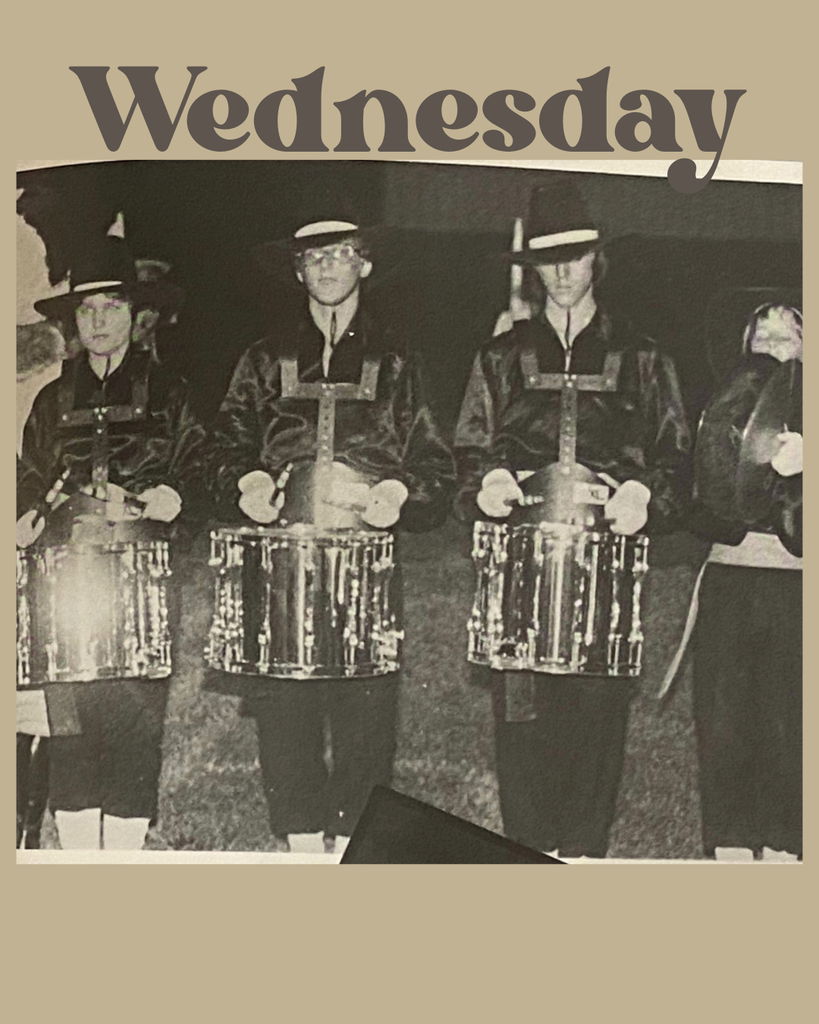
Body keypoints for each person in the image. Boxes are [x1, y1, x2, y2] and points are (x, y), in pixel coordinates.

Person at [453, 179, 691, 858]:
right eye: (547, 262)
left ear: (596, 263)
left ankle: (584, 856)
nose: (561, 274)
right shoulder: (500, 356)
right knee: (521, 722)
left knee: (592, 723)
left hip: (605, 572)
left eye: (575, 258)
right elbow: (469, 449)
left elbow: (675, 460)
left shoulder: (642, 357)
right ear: (531, 274)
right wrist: (486, 483)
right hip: (519, 576)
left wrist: (644, 496)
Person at [209, 215, 454, 854]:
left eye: (340, 255)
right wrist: (247, 484)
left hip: (364, 567)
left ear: (364, 265)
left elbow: (433, 463)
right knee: (285, 722)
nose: (326, 268)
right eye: (313, 258)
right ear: (297, 271)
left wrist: (396, 494)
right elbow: (224, 447)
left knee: (364, 726)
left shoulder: (397, 359)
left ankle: (351, 853)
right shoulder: (265, 359)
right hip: (279, 562)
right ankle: (299, 854)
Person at [16, 236, 205, 851]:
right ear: (74, 321)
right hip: (65, 581)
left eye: (112, 307)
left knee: (131, 727)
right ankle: (77, 862)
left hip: (139, 580)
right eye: (87, 310)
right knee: (69, 726)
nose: (98, 321)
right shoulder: (51, 400)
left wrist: (175, 496)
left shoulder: (171, 392)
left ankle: (122, 861)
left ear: (136, 316)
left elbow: (200, 470)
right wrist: (22, 513)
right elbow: (28, 478)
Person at [689, 302, 802, 862]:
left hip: (798, 592)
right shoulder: (723, 411)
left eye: (789, 336)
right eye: (762, 336)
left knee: (791, 725)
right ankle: (730, 850)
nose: (774, 347)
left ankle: (787, 851)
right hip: (731, 582)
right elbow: (705, 510)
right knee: (725, 722)